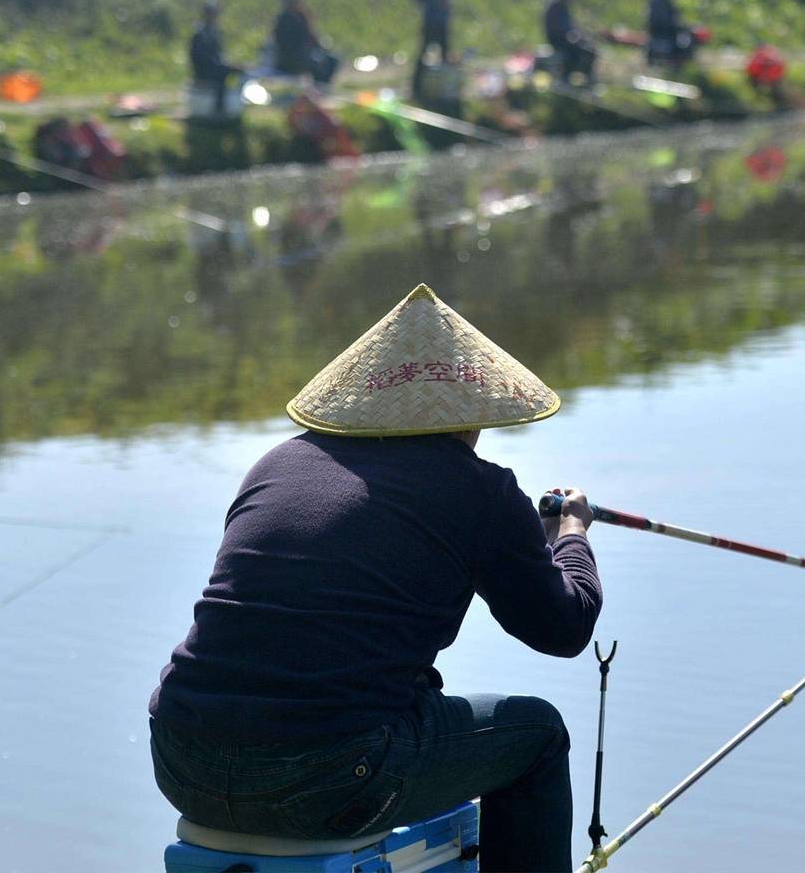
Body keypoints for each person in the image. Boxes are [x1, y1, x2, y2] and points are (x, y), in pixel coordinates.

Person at [148, 283, 602, 873]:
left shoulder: (277, 463)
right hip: (331, 776)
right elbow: (564, 628)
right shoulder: (481, 490)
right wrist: (570, 533)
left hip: (182, 760)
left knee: (411, 696)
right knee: (539, 733)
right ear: (476, 413)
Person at [272, 0, 339, 85]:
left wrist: (321, 47)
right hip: (290, 59)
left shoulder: (302, 16)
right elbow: (285, 45)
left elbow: (312, 36)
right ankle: (318, 90)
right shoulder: (284, 19)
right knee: (317, 63)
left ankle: (320, 90)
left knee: (332, 60)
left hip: (305, 54)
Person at [412, 0, 453, 97]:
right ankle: (415, 87)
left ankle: (445, 87)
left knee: (444, 54)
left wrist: (446, 1)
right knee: (424, 52)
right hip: (430, 19)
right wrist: (435, 0)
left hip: (442, 20)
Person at [189, 0, 240, 117]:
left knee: (231, 73)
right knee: (222, 77)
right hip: (203, 70)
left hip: (212, 66)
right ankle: (218, 109)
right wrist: (224, 66)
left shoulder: (213, 31)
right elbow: (203, 58)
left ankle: (229, 106)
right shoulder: (201, 33)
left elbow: (217, 56)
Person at [543, 0, 597, 82]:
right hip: (557, 39)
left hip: (566, 39)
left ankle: (587, 79)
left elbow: (571, 27)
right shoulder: (555, 7)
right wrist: (572, 36)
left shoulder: (564, 7)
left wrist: (581, 35)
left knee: (590, 50)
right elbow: (559, 29)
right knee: (574, 51)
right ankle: (565, 77)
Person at [646, 0, 693, 66]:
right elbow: (664, 18)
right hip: (662, 27)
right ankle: (678, 62)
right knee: (686, 37)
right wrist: (681, 25)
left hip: (657, 26)